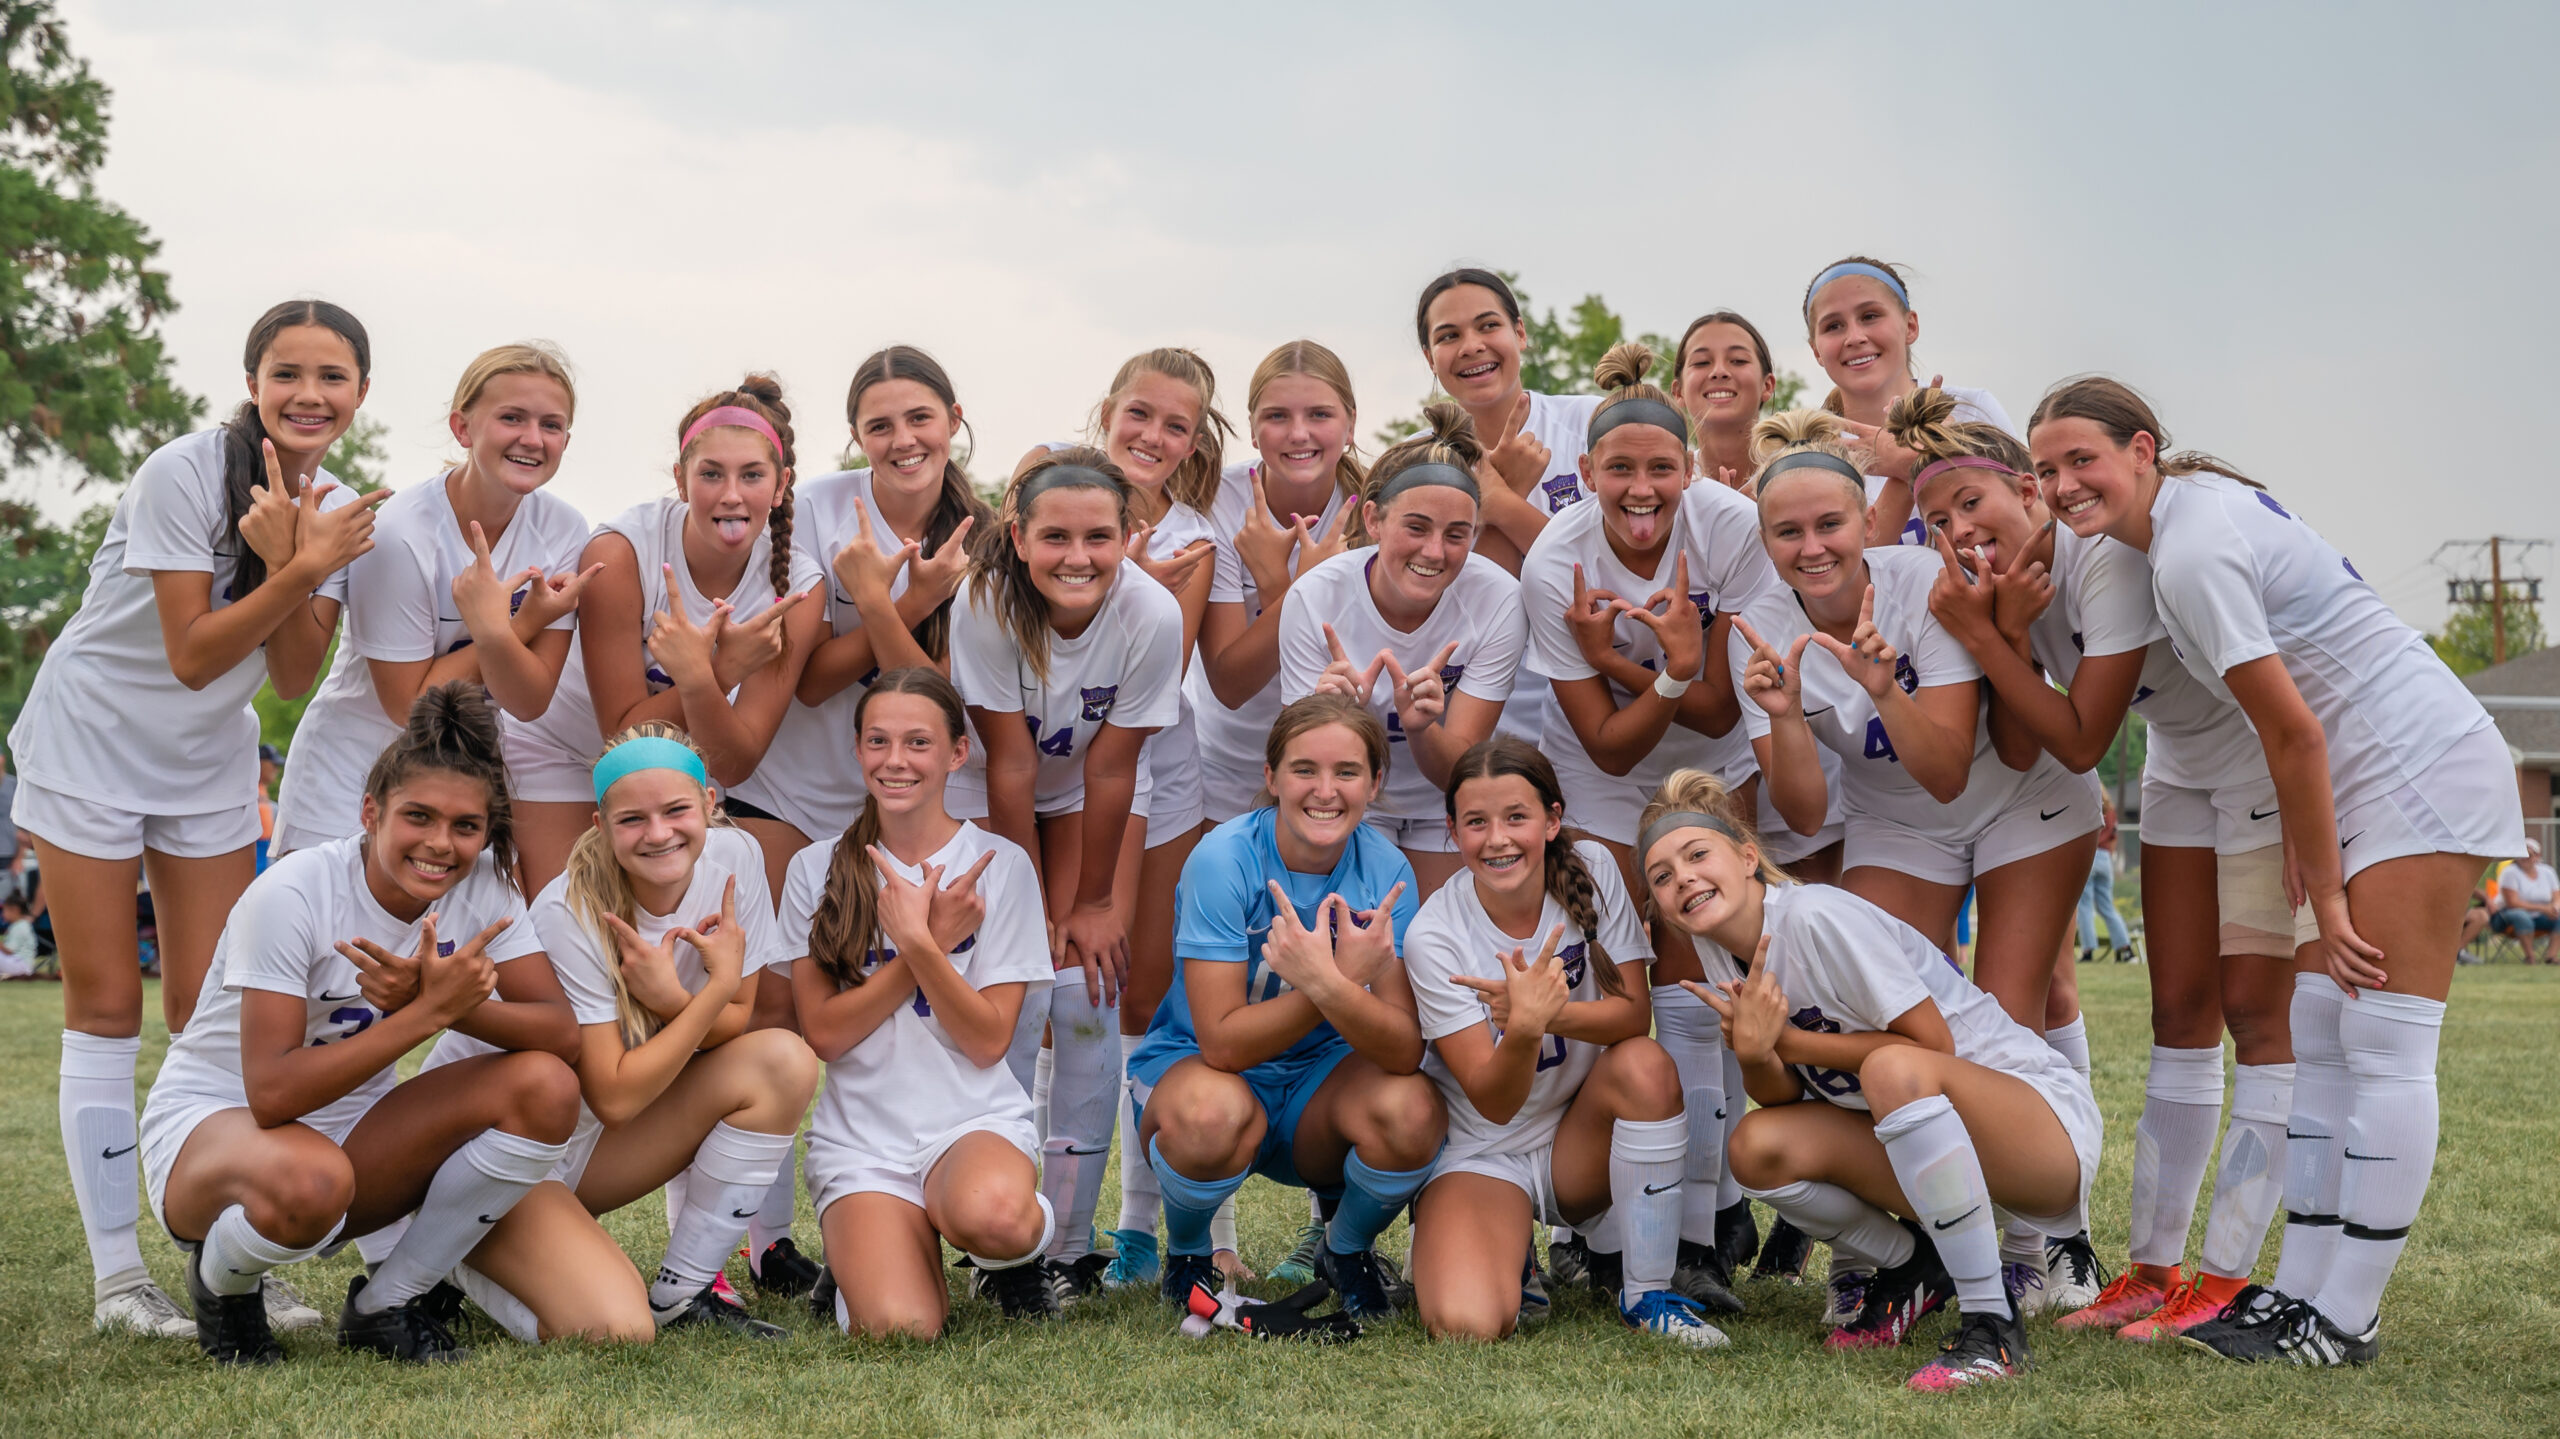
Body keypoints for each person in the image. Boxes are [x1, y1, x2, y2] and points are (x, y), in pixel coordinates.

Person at [2027, 376, 2527, 1364]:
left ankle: (2344, 1318)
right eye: (2044, 467)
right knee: (2322, 1033)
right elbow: (2292, 727)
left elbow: (2293, 727)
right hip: (2366, 766)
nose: (2061, 483)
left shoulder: (2189, 545)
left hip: (2414, 766)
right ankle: (2295, 1296)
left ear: (2142, 450)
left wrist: (2328, 889)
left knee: (2382, 1040)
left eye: (2080, 457)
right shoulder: (2183, 528)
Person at [9, 300, 387, 1337]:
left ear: (361, 392)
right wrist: (302, 566)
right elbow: (191, 651)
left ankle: (230, 1256)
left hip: (207, 757)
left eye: (333, 376)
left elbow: (296, 672)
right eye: (288, 372)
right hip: (94, 732)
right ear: (254, 378)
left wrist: (309, 558)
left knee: (210, 1007)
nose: (309, 394)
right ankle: (118, 1280)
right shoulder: (181, 471)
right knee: (102, 1003)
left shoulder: (341, 506)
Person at [1903, 386, 2299, 1335]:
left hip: (2254, 760)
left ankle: (2228, 1278)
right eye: (1937, 519)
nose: (1959, 528)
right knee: (2175, 1014)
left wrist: (1986, 640)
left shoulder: (2102, 559)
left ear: (2024, 492)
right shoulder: (2004, 582)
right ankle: (2153, 1270)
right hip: (2178, 764)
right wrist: (1996, 630)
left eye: (1974, 502)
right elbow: (2011, 742)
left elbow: (2079, 742)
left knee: (2254, 1015)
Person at [1731, 407, 2103, 1321]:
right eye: (1789, 531)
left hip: (2025, 803)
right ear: (1765, 540)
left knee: (2000, 1020)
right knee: (1870, 1017)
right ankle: (1889, 1251)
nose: (1813, 547)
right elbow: (1808, 811)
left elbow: (1944, 766)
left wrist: (1878, 684)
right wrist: (1784, 714)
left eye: (1830, 525)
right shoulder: (1757, 626)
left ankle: (2036, 1242)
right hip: (1896, 822)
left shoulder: (1920, 585)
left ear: (1867, 522)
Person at [139, 685, 581, 1365]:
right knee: (311, 1180)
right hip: (217, 1123)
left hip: (355, 1134)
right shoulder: (294, 891)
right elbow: (272, 1094)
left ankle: (387, 1301)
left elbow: (563, 1034)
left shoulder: (485, 889)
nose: (441, 843)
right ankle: (221, 1282)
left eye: (466, 826)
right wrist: (423, 1013)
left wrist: (455, 1005)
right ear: (371, 812)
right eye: (419, 816)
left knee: (546, 1085)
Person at [1642, 770, 2102, 1391]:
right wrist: (1754, 1054)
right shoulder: (1722, 949)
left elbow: (1928, 1048)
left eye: (1698, 855)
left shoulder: (1813, 914)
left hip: (2041, 1133)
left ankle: (1993, 1326)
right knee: (1757, 1146)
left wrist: (1787, 1039)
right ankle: (1915, 1263)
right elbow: (1788, 1096)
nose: (1684, 879)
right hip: (1940, 1153)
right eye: (1662, 877)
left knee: (1892, 1067)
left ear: (1749, 858)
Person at [1515, 341, 1799, 1306]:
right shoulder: (1557, 556)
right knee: (1637, 986)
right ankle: (1632, 1225)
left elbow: (1720, 713)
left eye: (1661, 468)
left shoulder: (1733, 527)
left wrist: (1648, 664)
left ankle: (1706, 1223)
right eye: (1619, 471)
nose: (1642, 490)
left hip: (1715, 765)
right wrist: (1672, 669)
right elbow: (1602, 745)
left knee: (1708, 972)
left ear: (1693, 467)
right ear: (1585, 475)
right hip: (1600, 780)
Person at [719, 347, 993, 1297]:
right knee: (767, 1007)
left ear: (952, 418)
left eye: (919, 418)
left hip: (908, 790)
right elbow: (805, 679)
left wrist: (889, 600)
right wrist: (900, 601)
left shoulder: (982, 534)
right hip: (797, 787)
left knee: (917, 1002)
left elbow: (939, 700)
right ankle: (754, 1237)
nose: (902, 440)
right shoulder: (815, 514)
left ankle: (915, 1200)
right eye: (879, 425)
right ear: (854, 436)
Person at [437, 721, 819, 1344]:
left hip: (584, 1150)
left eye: (676, 811)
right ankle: (443, 1256)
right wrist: (706, 994)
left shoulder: (737, 857)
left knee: (782, 1060)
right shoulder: (571, 911)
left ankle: (685, 1289)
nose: (660, 833)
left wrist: (673, 999)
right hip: (496, 1155)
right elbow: (615, 1097)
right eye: (633, 820)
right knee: (615, 1330)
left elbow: (737, 1020)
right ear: (600, 826)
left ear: (710, 805)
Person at [948, 450, 1186, 1303]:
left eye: (1098, 535)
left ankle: (1073, 1246)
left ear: (1130, 536)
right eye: (1054, 536)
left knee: (1089, 990)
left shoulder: (1152, 613)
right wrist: (1020, 904)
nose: (1076, 555)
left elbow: (1115, 766)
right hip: (991, 789)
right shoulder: (984, 602)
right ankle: (1000, 1238)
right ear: (1017, 536)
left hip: (1099, 791)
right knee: (1016, 996)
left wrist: (1089, 901)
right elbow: (1010, 765)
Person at [1024, 350, 1234, 1290]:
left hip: (1155, 758)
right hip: (1054, 767)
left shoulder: (1194, 536)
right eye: (1138, 415)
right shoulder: (1047, 484)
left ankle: (1148, 1229)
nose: (1152, 437)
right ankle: (1048, 1226)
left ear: (1196, 442)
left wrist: (1138, 584)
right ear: (1107, 411)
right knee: (1061, 996)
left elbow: (1160, 671)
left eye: (1176, 426)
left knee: (1145, 997)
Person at [1128, 694, 1440, 1324]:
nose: (1325, 791)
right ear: (1270, 777)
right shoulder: (1225, 858)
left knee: (1411, 1111)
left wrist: (1331, 985)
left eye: (1347, 772)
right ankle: (1189, 1253)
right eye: (1304, 769)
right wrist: (1332, 984)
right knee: (1209, 1115)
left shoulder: (1385, 868)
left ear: (1375, 783)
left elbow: (1405, 1049)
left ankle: (1343, 1250)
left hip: (1317, 1092)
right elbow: (1219, 1043)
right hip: (1206, 1072)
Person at [1404, 738, 1723, 1346]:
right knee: (1467, 1327)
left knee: (1645, 1065)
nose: (1497, 839)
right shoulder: (1434, 934)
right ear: (1453, 831)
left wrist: (1543, 1017)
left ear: (1552, 820)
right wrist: (1524, 1028)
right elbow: (1494, 1104)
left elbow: (1632, 1017)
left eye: (1516, 817)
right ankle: (1503, 1249)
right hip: (1483, 1151)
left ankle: (1647, 1293)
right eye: (1476, 822)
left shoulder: (1597, 868)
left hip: (1579, 1140)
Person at [781, 668, 1056, 1334]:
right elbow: (824, 1034)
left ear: (957, 753)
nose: (895, 760)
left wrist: (926, 950)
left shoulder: (999, 864)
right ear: (857, 749)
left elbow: (989, 1039)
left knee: (995, 1215)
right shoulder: (814, 868)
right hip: (863, 1142)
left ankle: (1012, 1256)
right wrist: (921, 946)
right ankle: (866, 1254)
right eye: (877, 741)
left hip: (972, 1126)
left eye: (918, 742)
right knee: (902, 1329)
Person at [505, 376, 825, 896]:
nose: (730, 495)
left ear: (782, 483)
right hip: (563, 750)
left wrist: (702, 676)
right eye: (711, 474)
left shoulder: (797, 588)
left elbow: (735, 764)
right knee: (575, 917)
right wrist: (718, 672)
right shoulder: (621, 551)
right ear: (680, 480)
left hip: (677, 766)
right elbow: (619, 739)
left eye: (752, 476)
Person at [273, 343, 596, 855]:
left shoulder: (563, 529)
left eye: (551, 425)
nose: (532, 439)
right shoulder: (401, 532)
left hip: (460, 786)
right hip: (349, 780)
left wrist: (497, 630)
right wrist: (511, 629)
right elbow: (409, 705)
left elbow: (529, 701)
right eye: (512, 418)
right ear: (463, 428)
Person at [1279, 406, 1528, 896]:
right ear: (1373, 518)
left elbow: (1459, 773)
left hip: (1447, 804)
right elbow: (1301, 766)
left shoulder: (1497, 598)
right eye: (1416, 528)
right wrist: (1327, 716)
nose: (1435, 552)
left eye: (1457, 535)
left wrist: (1420, 728)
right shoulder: (1315, 595)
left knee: (1424, 949)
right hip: (1346, 803)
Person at [1796, 257, 2014, 547]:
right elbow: (1841, 573)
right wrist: (1914, 461)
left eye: (1870, 316)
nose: (1854, 337)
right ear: (1816, 352)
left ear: (1910, 326)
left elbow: (2029, 513)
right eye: (1833, 326)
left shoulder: (1970, 408)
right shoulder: (1811, 455)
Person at [1671, 310, 1782, 491]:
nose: (1719, 371)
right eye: (1701, 362)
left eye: (1738, 360)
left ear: (1767, 385)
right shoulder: (1667, 489)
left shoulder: (1802, 473)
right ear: (1678, 392)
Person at [2076, 802, 2132, 964]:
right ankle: (2125, 948)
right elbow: (2114, 837)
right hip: (2105, 858)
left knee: (2085, 907)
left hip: (2090, 854)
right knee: (2107, 907)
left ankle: (2088, 950)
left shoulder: (2088, 806)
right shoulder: (2111, 812)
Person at [2491, 839, 2557, 962]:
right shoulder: (2510, 872)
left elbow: (2557, 896)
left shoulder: (2548, 872)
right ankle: (2530, 957)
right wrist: (2544, 908)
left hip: (2540, 916)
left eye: (2529, 854)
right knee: (2521, 916)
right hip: (2506, 916)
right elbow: (2513, 903)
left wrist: (2554, 908)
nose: (2524, 858)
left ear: (2537, 856)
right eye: (2521, 855)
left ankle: (2551, 957)